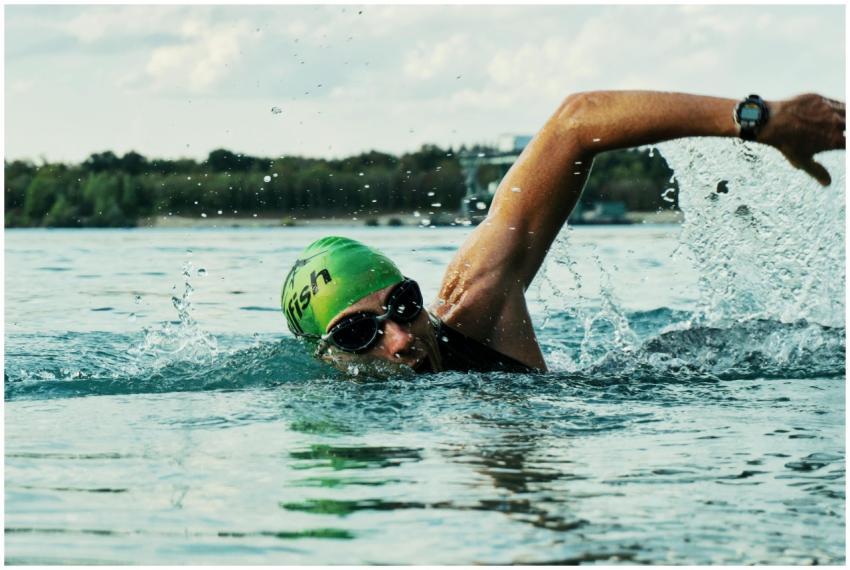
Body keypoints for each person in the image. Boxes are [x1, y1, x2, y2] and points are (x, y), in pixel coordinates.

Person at [281, 91, 845, 375]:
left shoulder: (476, 305)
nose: (400, 340)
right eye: (359, 334)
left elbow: (575, 122)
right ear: (325, 356)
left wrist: (758, 120)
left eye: (403, 305)